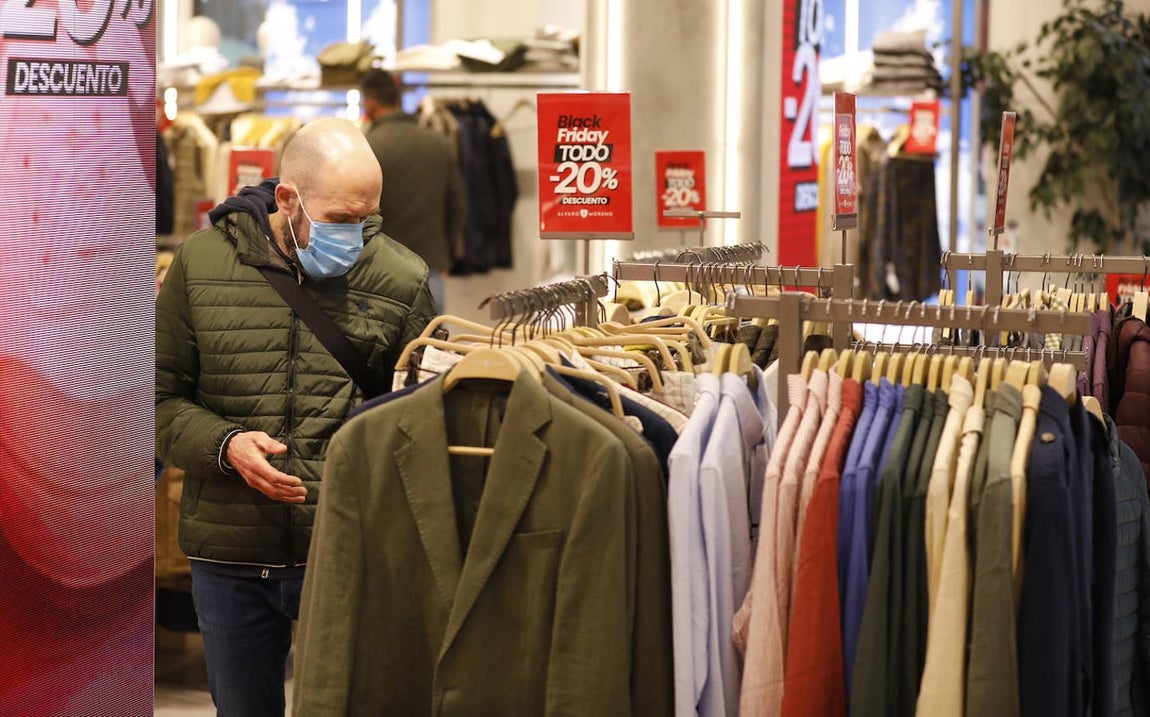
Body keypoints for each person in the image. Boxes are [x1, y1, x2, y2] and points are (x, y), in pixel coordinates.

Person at [155, 117, 436, 715]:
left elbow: (418, 423)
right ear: (287, 198)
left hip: (345, 550)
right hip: (229, 552)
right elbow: (159, 400)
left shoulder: (401, 278)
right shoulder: (199, 263)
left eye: (367, 218)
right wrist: (226, 445)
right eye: (339, 219)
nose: (355, 235)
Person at [360, 68, 467, 312]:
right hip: (430, 268)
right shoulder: (438, 144)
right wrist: (446, 253)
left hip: (379, 271)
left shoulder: (366, 147)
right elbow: (458, 205)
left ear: (370, 102)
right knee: (432, 335)